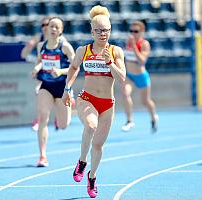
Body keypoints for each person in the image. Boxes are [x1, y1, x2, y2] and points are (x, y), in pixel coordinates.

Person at [62, 5, 126, 198]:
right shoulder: (84, 50)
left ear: (110, 31)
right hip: (87, 99)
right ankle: (82, 162)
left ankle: (92, 177)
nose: (102, 34)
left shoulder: (115, 52)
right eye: (98, 30)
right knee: (90, 125)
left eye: (105, 30)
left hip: (107, 104)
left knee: (98, 146)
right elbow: (73, 68)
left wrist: (110, 63)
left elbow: (122, 78)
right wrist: (67, 89)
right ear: (92, 31)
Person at [31, 16, 75, 167]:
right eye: (51, 26)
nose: (53, 29)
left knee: (63, 125)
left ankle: (64, 108)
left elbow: (75, 68)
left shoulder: (65, 47)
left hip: (62, 88)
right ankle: (42, 156)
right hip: (47, 86)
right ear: (47, 29)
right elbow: (39, 62)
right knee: (43, 117)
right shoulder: (41, 46)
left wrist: (61, 71)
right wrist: (36, 69)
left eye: (57, 27)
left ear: (61, 31)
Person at [21, 16, 74, 131]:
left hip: (60, 79)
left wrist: (60, 71)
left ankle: (64, 105)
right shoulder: (39, 39)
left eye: (47, 25)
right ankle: (40, 119)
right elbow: (25, 54)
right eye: (44, 25)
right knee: (39, 93)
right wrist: (34, 61)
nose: (46, 28)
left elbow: (71, 65)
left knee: (63, 124)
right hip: (45, 75)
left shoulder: (62, 42)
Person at [121, 20, 159, 133]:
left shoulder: (144, 44)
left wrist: (134, 47)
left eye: (136, 31)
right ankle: (129, 121)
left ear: (142, 32)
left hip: (141, 76)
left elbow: (142, 61)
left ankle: (153, 117)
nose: (133, 33)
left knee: (145, 101)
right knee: (125, 93)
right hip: (130, 76)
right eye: (131, 31)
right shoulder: (127, 42)